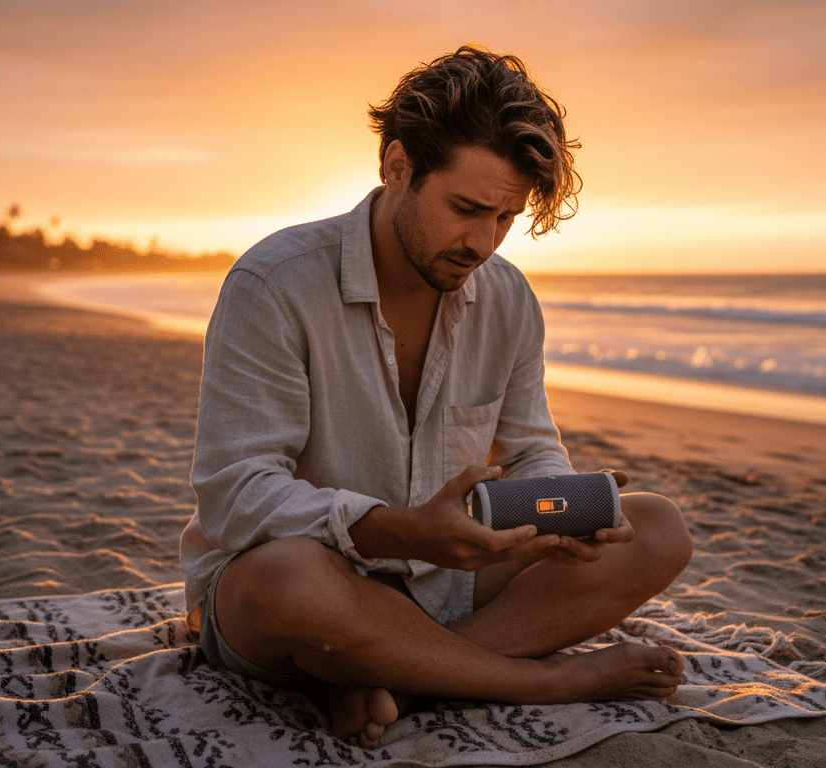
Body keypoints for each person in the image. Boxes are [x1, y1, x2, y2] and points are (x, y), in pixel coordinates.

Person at [179, 45, 694, 749]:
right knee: (287, 579)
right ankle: (538, 679)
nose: (483, 241)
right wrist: (398, 528)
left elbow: (534, 447)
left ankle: (402, 681)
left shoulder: (507, 297)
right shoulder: (273, 286)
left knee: (657, 528)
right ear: (397, 168)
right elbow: (236, 495)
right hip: (309, 586)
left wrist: (558, 513)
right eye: (466, 208)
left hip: (449, 585)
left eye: (505, 218)